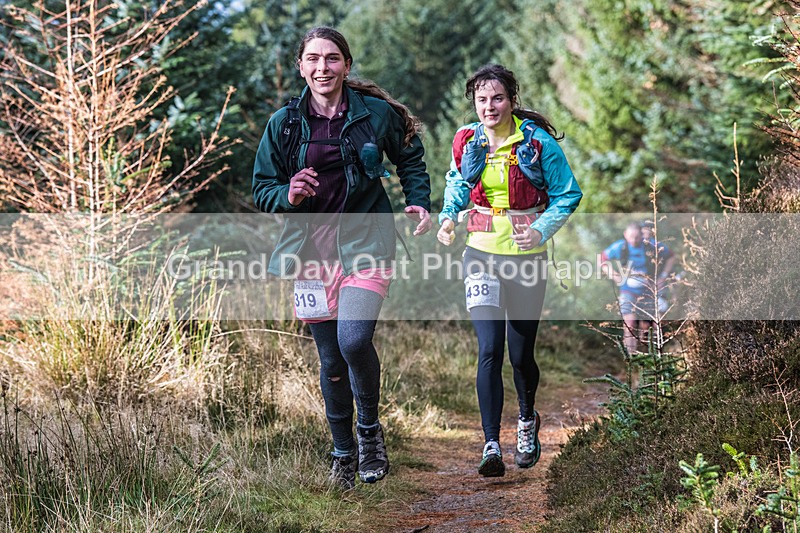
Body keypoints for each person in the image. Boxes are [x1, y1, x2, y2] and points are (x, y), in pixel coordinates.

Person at [252, 26, 431, 490]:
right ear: (301, 66)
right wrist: (288, 193)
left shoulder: (375, 114)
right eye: (313, 59)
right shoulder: (284, 124)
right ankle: (343, 454)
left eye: (332, 58)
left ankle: (369, 433)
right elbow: (263, 188)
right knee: (331, 361)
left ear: (346, 65)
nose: (322, 67)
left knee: (353, 341)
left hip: (367, 243)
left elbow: (410, 156)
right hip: (310, 254)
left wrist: (417, 199)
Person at [436, 64, 582, 477]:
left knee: (519, 355)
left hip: (526, 257)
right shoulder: (467, 139)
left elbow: (568, 194)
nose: (489, 107)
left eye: (497, 98)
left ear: (512, 100)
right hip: (480, 253)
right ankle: (490, 445)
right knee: (489, 349)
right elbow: (457, 183)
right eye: (482, 100)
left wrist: (539, 231)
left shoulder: (536, 143)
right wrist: (447, 217)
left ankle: (526, 419)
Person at [599, 221, 675, 354]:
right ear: (625, 235)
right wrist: (614, 275)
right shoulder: (620, 247)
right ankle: (630, 358)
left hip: (649, 290)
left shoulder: (651, 245)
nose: (634, 240)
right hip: (628, 290)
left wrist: (663, 277)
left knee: (652, 325)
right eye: (631, 237)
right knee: (629, 324)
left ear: (642, 235)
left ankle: (654, 357)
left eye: (637, 237)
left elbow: (671, 256)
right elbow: (602, 258)